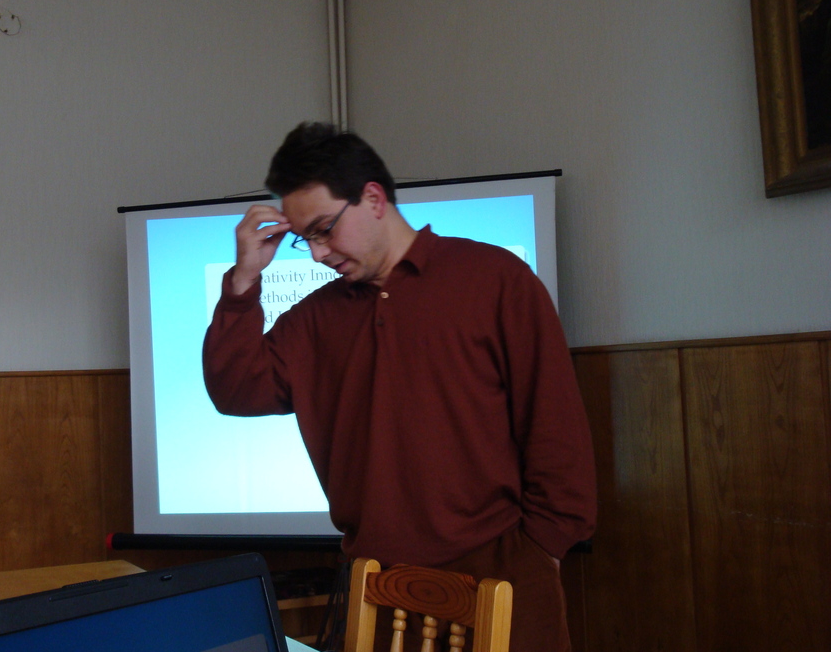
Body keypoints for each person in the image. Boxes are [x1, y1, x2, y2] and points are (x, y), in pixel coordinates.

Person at [203, 122, 596, 652]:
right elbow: (235, 390)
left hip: (504, 574)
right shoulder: (316, 319)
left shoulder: (495, 278)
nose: (316, 254)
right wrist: (243, 281)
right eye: (304, 239)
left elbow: (555, 426)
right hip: (377, 591)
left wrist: (541, 551)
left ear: (373, 198)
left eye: (324, 229)